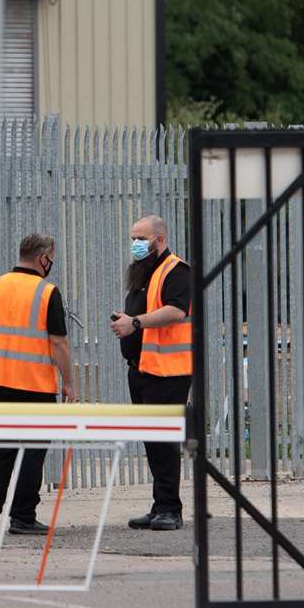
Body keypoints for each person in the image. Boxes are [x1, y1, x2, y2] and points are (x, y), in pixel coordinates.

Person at [0, 232, 77, 535]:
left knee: (2, 447)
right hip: (38, 385)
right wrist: (68, 381)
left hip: (3, 382)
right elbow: (59, 343)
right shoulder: (47, 292)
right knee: (32, 449)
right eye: (51, 258)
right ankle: (23, 516)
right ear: (43, 258)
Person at [109, 214, 192, 530]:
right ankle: (160, 505)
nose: (135, 245)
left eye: (141, 239)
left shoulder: (177, 270)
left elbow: (176, 310)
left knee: (164, 441)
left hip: (168, 372)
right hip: (142, 370)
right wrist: (127, 319)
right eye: (133, 238)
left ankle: (171, 509)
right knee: (153, 442)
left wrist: (137, 322)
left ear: (160, 240)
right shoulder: (145, 273)